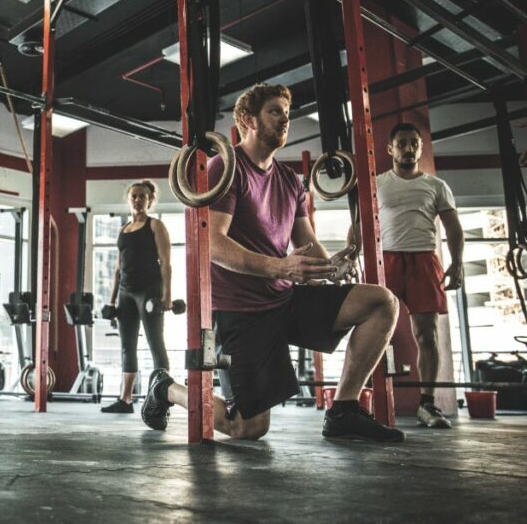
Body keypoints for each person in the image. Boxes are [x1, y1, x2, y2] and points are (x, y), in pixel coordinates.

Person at [141, 83, 405, 442]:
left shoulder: (289, 180)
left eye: (287, 113)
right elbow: (213, 245)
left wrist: (332, 270)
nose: (285, 120)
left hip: (284, 299)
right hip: (241, 310)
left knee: (381, 302)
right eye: (275, 111)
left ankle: (344, 409)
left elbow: (306, 246)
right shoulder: (225, 169)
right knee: (248, 428)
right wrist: (280, 267)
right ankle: (166, 387)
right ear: (249, 119)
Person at [349, 122, 463, 428]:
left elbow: (452, 227)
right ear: (390, 149)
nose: (409, 148)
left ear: (420, 148)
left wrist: (458, 261)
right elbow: (360, 225)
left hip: (425, 260)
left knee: (427, 335)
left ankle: (427, 405)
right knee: (372, 331)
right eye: (402, 143)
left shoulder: (437, 186)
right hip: (386, 261)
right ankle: (361, 401)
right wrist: (349, 255)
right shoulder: (377, 183)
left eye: (414, 143)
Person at [100, 180, 173, 414]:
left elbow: (166, 264)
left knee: (155, 343)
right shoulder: (123, 229)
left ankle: (162, 399)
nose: (138, 200)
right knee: (126, 346)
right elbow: (118, 269)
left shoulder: (155, 226)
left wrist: (167, 297)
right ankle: (126, 399)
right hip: (125, 293)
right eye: (134, 196)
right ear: (128, 199)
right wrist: (111, 301)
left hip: (149, 291)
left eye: (142, 196)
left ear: (150, 200)